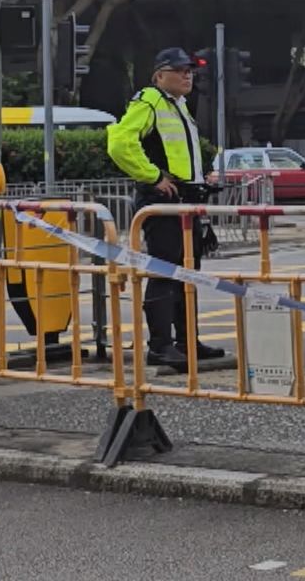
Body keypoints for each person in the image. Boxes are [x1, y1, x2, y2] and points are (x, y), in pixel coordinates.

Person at [106, 47, 225, 369]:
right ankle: (160, 346)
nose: (188, 75)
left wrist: (201, 177)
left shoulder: (178, 105)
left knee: (187, 273)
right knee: (165, 271)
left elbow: (178, 152)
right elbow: (119, 143)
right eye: (180, 70)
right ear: (159, 75)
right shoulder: (149, 101)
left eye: (190, 70)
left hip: (185, 201)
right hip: (162, 203)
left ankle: (188, 342)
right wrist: (153, 176)